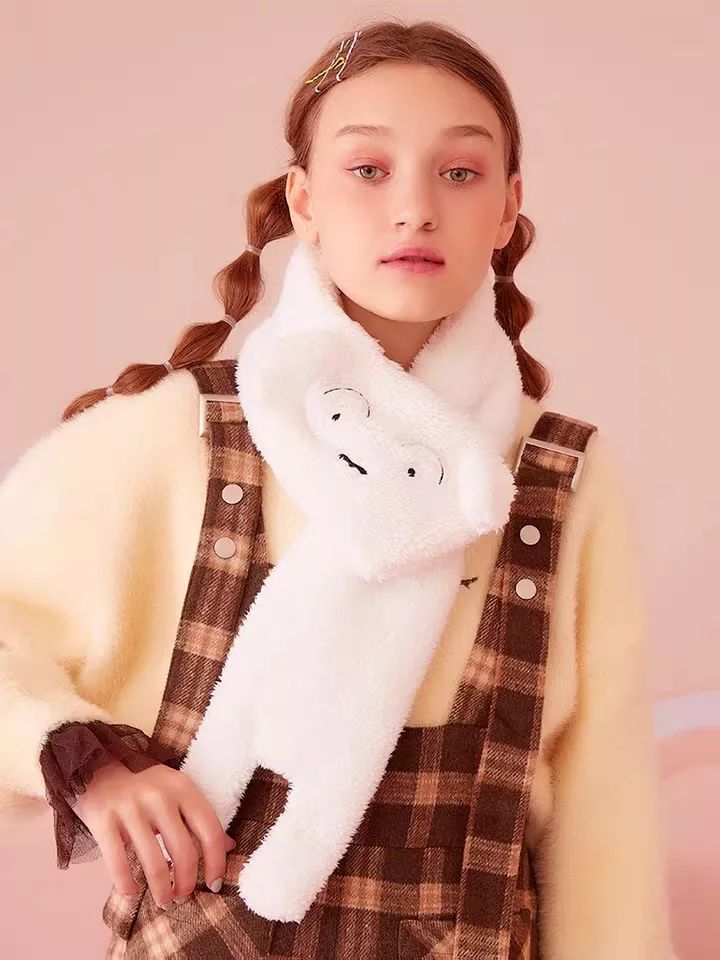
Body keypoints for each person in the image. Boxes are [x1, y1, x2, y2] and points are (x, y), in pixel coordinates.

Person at [0, 16, 676, 960]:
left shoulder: (559, 483)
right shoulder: (180, 433)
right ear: (304, 200)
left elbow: (606, 828)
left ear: (509, 207)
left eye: (460, 172)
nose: (415, 209)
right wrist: (85, 758)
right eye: (368, 169)